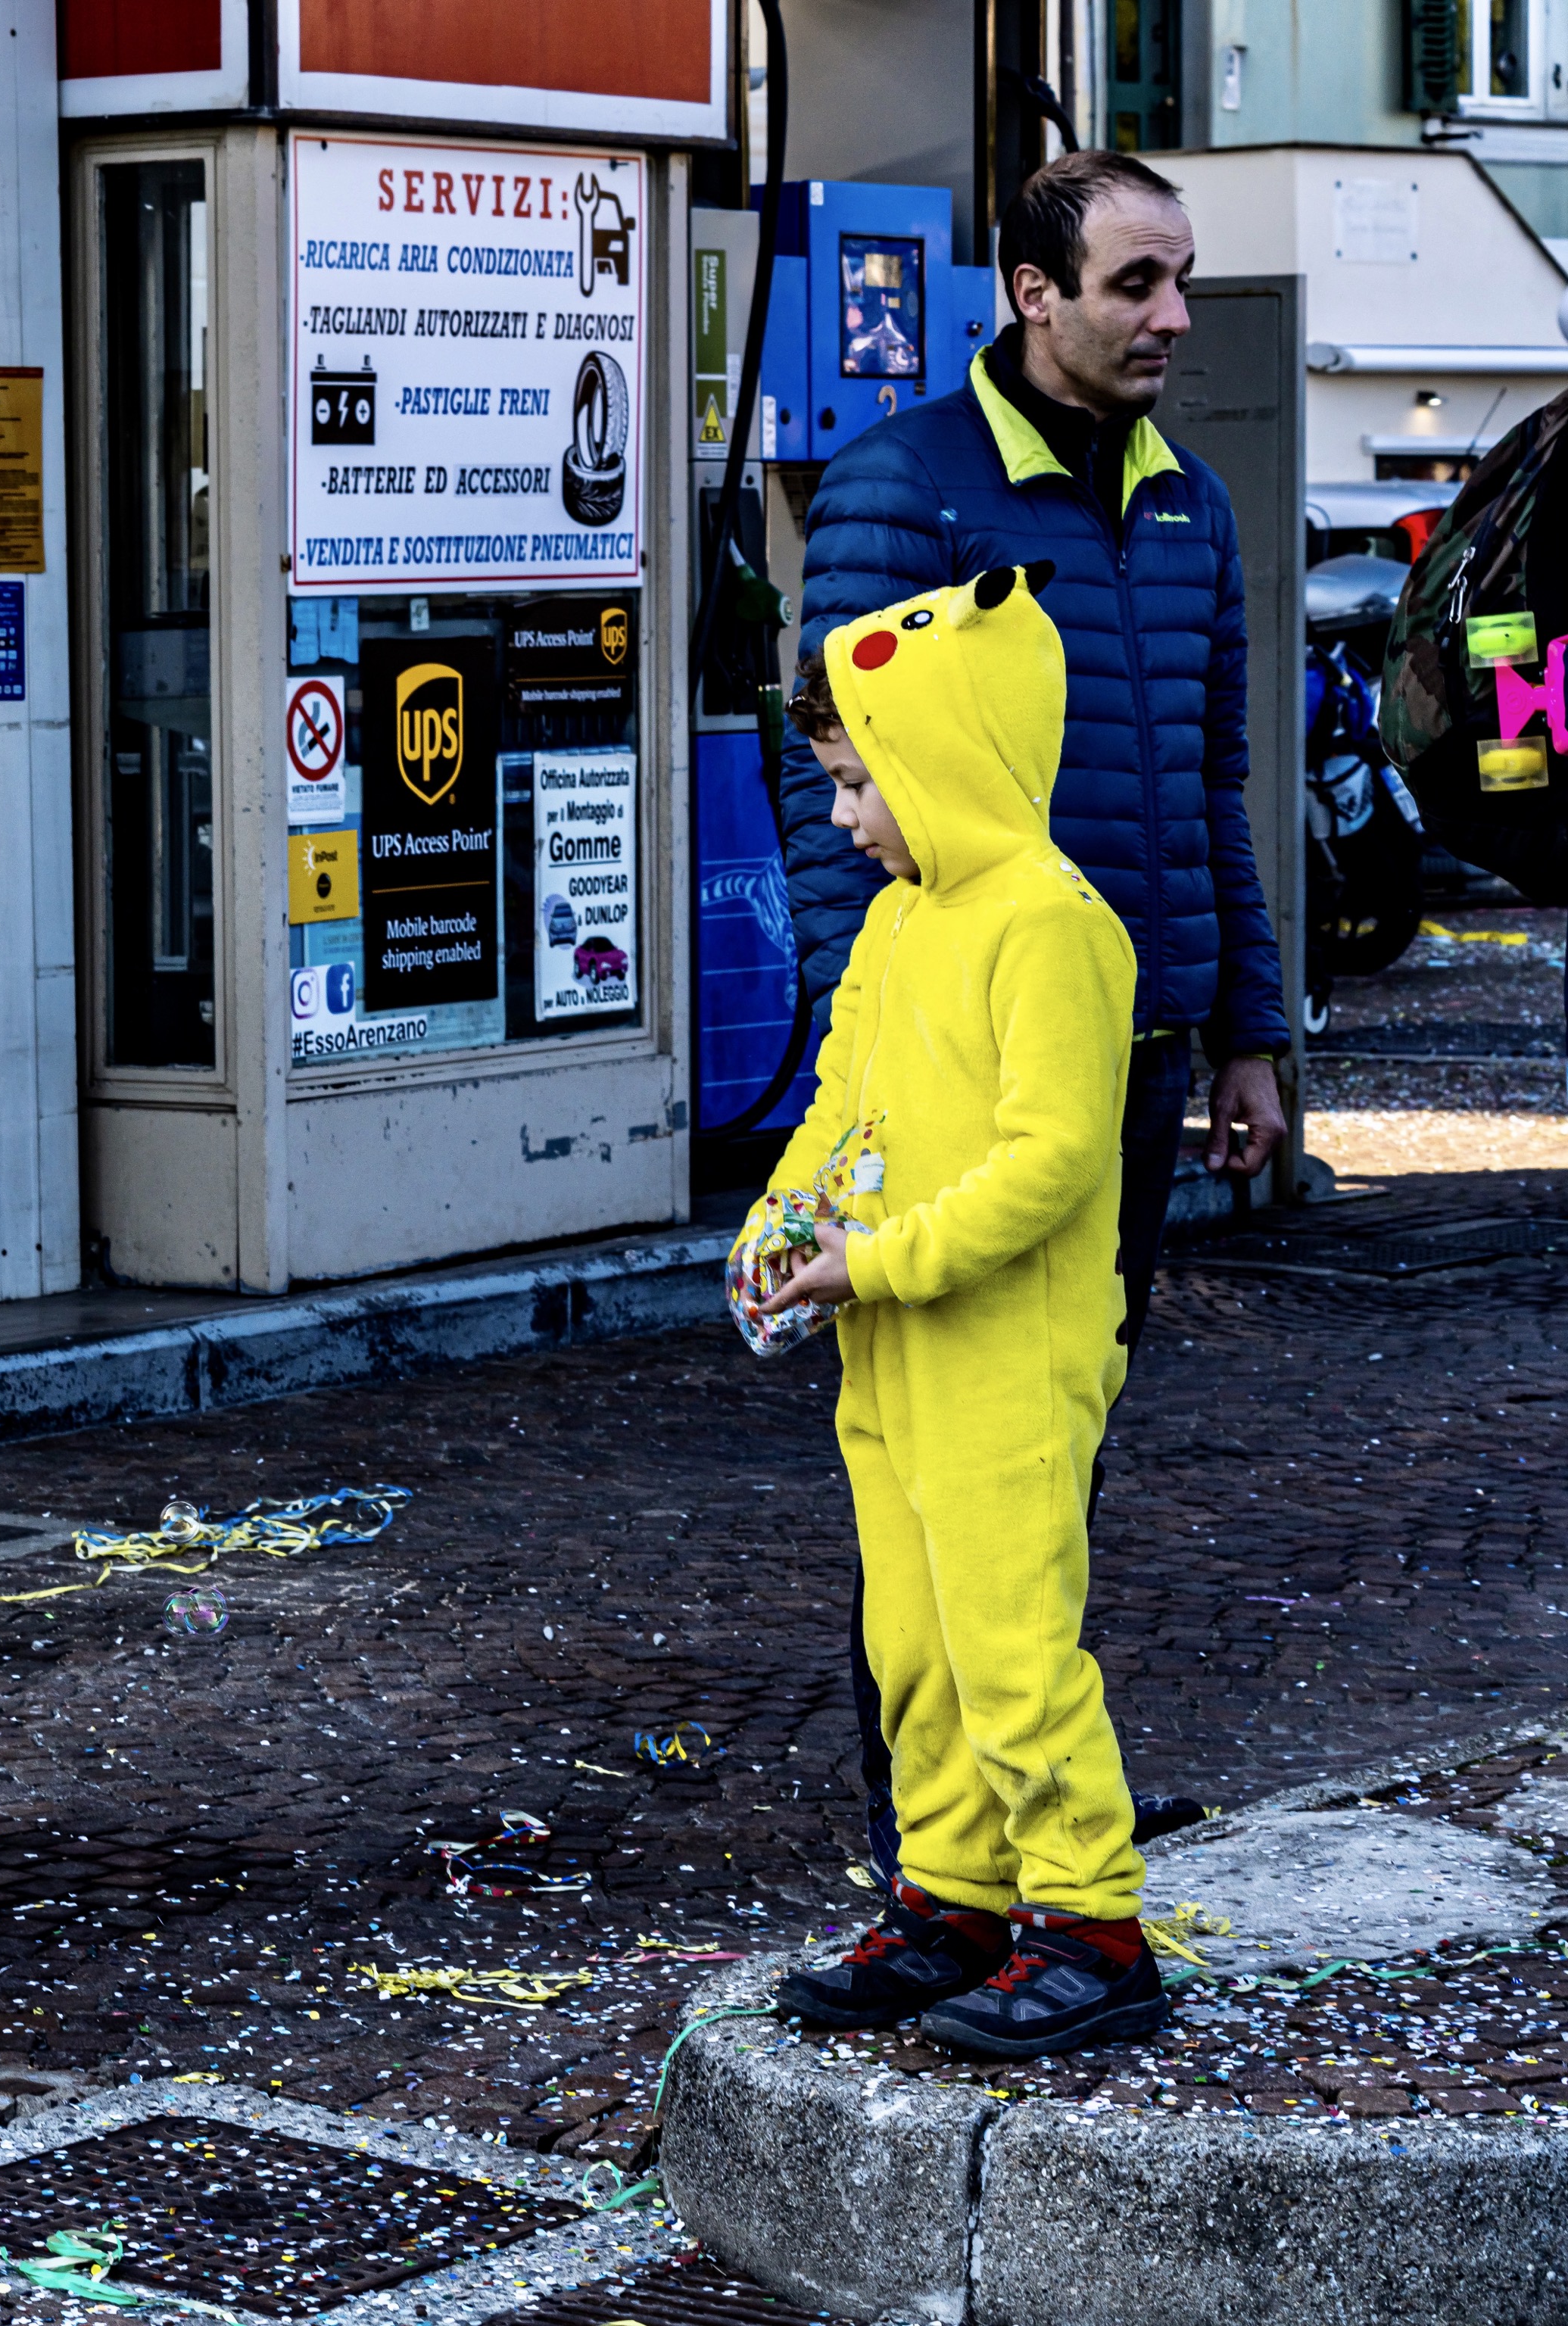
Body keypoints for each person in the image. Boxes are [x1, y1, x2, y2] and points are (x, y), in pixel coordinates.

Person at [778, 148, 1283, 1879]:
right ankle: (935, 1836)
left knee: (1052, 1429)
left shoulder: (1189, 504)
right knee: (930, 1453)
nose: (1174, 316)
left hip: (1133, 1048)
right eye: (1137, 283)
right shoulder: (900, 487)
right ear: (1031, 293)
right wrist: (870, 1079)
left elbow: (1213, 785)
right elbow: (840, 794)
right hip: (961, 1061)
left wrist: (1248, 1029)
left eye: (1184, 279)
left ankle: (1034, 1765)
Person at [753, 578, 1164, 2059]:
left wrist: (877, 1259)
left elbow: (1052, 1165)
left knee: (1009, 1642)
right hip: (894, 1350)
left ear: (954, 757)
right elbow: (834, 1113)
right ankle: (954, 1900)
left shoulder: (1054, 927)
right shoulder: (896, 929)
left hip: (1006, 1358)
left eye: (865, 783)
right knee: (912, 1644)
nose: (850, 818)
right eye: (842, 786)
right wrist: (783, 1229)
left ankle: (1090, 1925)